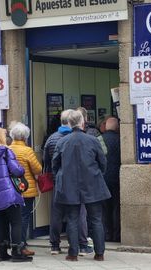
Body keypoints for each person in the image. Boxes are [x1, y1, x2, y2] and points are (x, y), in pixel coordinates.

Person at [52, 110, 111, 262]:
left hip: (69, 185)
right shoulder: (93, 140)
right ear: (82, 123)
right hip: (92, 183)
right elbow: (103, 162)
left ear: (69, 124)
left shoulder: (62, 141)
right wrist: (97, 175)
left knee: (72, 219)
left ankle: (73, 254)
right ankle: (99, 254)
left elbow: (55, 164)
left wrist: (62, 176)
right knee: (96, 219)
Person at [43, 109, 94, 256]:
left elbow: (47, 162)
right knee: (79, 214)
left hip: (58, 181)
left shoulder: (52, 139)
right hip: (77, 182)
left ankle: (54, 245)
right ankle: (82, 245)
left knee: (56, 214)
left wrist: (55, 175)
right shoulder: (77, 138)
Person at [0, 127, 33, 262]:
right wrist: (21, 168)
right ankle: (17, 252)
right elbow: (16, 170)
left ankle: (1, 253)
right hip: (9, 193)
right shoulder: (6, 151)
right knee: (16, 221)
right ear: (1, 138)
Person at [8, 122, 42, 256]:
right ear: (25, 137)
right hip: (25, 189)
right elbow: (38, 168)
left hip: (11, 189)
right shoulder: (27, 150)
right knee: (23, 218)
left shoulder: (8, 149)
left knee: (14, 218)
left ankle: (14, 243)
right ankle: (21, 245)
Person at [101, 117, 121, 242]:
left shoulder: (99, 139)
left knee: (104, 209)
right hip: (116, 178)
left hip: (102, 179)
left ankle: (107, 234)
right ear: (117, 127)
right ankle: (117, 234)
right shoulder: (120, 140)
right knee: (116, 207)